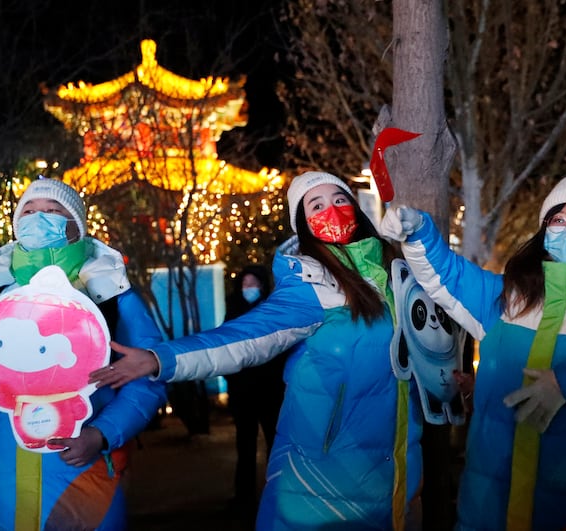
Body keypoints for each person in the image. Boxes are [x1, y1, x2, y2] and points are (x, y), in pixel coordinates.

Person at [91, 170, 432, 530]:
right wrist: (162, 359)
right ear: (303, 224)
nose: (331, 210)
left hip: (399, 473)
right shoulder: (311, 285)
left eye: (340, 200)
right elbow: (241, 340)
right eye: (316, 205)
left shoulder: (395, 275)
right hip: (323, 480)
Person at [379, 172, 566, 530]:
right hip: (488, 509)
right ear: (544, 230)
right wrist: (419, 230)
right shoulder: (507, 299)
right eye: (559, 218)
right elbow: (449, 274)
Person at [0, 178, 167, 530]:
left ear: (77, 225)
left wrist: (102, 434)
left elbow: (148, 374)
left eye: (54, 211)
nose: (40, 218)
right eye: (30, 211)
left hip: (85, 474)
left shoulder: (110, 292)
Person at [223, 264, 287, 520]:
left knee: (276, 443)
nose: (250, 288)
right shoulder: (234, 313)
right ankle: (244, 496)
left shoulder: (272, 314)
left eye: (254, 283)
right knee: (245, 447)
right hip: (244, 396)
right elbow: (226, 350)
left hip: (270, 394)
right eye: (245, 283)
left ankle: (279, 492)